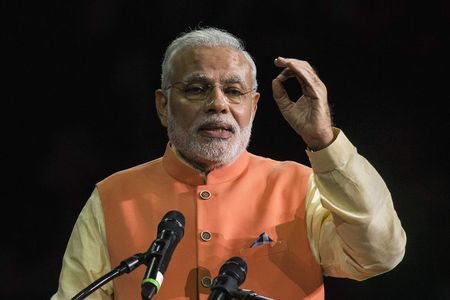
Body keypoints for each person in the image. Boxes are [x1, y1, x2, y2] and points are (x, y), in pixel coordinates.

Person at [51, 27, 406, 300]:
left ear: (253, 107)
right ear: (163, 105)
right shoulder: (113, 197)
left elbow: (378, 254)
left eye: (234, 91)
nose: (218, 104)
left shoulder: (301, 188)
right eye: (196, 89)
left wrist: (324, 141)